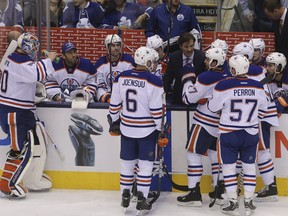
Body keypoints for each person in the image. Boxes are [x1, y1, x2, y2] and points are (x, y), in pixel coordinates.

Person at [108, 46, 167, 215]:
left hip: (127, 129)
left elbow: (114, 105)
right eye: (153, 62)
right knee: (145, 166)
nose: (155, 65)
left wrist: (113, 121)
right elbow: (158, 111)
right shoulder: (154, 81)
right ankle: (142, 199)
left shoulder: (121, 77)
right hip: (146, 131)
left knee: (127, 165)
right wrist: (161, 130)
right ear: (147, 62)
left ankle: (125, 195)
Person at [208, 54, 268, 216]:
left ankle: (233, 201)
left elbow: (212, 107)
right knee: (249, 167)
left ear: (233, 69)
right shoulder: (258, 86)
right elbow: (264, 108)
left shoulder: (223, 86)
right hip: (250, 133)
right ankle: (249, 201)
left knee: (229, 168)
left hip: (229, 133)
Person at [0, 32, 57, 198]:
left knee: (19, 149)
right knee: (22, 149)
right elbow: (36, 73)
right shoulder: (19, 62)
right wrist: (50, 59)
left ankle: (6, 181)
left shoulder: (11, 58)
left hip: (12, 110)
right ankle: (9, 184)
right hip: (16, 112)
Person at [177, 48, 229, 207]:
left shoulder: (206, 77)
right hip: (220, 123)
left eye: (208, 59)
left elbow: (187, 98)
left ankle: (194, 193)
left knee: (193, 154)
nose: (205, 62)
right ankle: (219, 192)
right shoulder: (228, 75)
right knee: (215, 156)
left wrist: (187, 80)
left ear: (215, 62)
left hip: (204, 121)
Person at [254, 52, 287, 202]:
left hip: (264, 119)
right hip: (266, 117)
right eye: (267, 65)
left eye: (271, 65)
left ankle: (270, 186)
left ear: (280, 66)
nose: (268, 68)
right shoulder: (266, 79)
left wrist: (278, 106)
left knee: (263, 150)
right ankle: (270, 186)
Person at [163, 32, 205, 105]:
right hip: (178, 97)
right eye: (186, 46)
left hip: (197, 97)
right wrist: (163, 97)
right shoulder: (174, 57)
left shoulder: (202, 56)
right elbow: (168, 78)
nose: (189, 49)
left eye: (191, 46)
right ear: (180, 46)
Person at [95, 34, 134, 103]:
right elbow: (99, 86)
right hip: (107, 96)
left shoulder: (128, 60)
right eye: (113, 45)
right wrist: (106, 97)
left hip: (125, 96)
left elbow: (132, 83)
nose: (116, 48)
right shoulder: (100, 63)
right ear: (107, 47)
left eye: (118, 45)